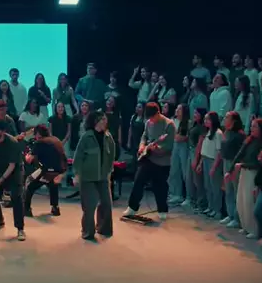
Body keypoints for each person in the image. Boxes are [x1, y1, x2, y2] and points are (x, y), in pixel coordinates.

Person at [123, 102, 175, 220]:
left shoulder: (169, 125)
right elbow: (144, 136)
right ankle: (132, 207)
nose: (151, 120)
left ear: (158, 113)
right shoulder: (148, 123)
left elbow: (169, 145)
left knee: (160, 186)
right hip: (148, 158)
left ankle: (162, 209)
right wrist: (142, 146)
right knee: (138, 181)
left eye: (152, 117)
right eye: (149, 118)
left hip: (162, 161)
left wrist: (157, 148)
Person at [72, 111, 116, 239]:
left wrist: (109, 171)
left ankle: (104, 228)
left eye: (105, 119)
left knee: (106, 203)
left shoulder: (108, 137)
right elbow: (78, 157)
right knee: (89, 205)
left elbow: (111, 156)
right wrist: (77, 174)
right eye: (103, 119)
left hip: (103, 176)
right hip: (88, 177)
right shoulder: (87, 137)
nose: (105, 121)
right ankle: (87, 231)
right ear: (96, 121)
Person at [24, 125, 67, 217]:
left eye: (35, 134)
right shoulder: (56, 139)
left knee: (30, 184)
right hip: (59, 170)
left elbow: (29, 160)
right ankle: (55, 208)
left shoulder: (39, 143)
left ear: (38, 134)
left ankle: (26, 209)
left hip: (46, 170)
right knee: (52, 185)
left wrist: (26, 155)